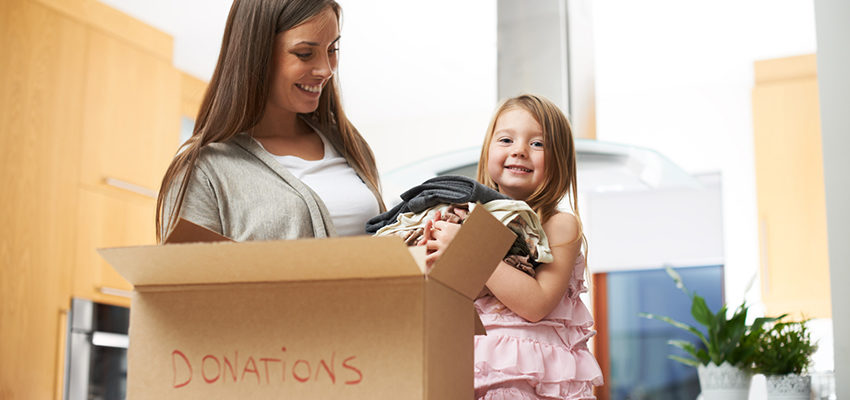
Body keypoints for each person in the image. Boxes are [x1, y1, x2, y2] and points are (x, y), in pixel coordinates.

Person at [156, 0, 384, 243]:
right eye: (305, 54)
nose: (326, 70)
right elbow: (185, 277)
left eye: (332, 50)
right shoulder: (205, 171)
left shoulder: (348, 144)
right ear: (256, 54)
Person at [424, 94, 604, 399]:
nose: (519, 150)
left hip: (532, 382)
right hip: (472, 373)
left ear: (558, 158)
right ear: (488, 150)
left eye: (537, 144)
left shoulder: (559, 224)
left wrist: (469, 250)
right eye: (506, 140)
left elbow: (535, 305)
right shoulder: (468, 221)